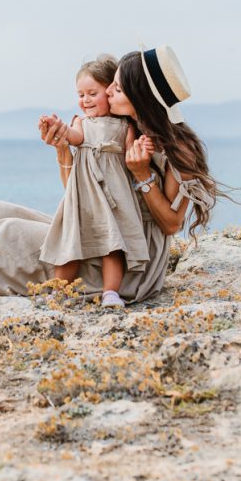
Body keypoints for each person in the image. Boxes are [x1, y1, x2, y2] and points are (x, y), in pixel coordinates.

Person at [0, 46, 234, 305]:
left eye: (116, 89)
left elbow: (172, 224)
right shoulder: (125, 129)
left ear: (139, 95)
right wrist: (64, 151)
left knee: (5, 235)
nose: (106, 95)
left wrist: (143, 175)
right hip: (104, 229)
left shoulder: (175, 146)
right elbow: (85, 195)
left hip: (130, 259)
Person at [37, 56, 148, 308]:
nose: (85, 100)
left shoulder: (124, 126)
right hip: (85, 194)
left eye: (92, 93)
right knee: (70, 242)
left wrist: (142, 147)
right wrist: (58, 128)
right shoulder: (81, 123)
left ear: (109, 92)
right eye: (80, 94)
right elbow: (74, 137)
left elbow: (132, 155)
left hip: (114, 196)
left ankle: (111, 292)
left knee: (113, 245)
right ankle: (59, 291)